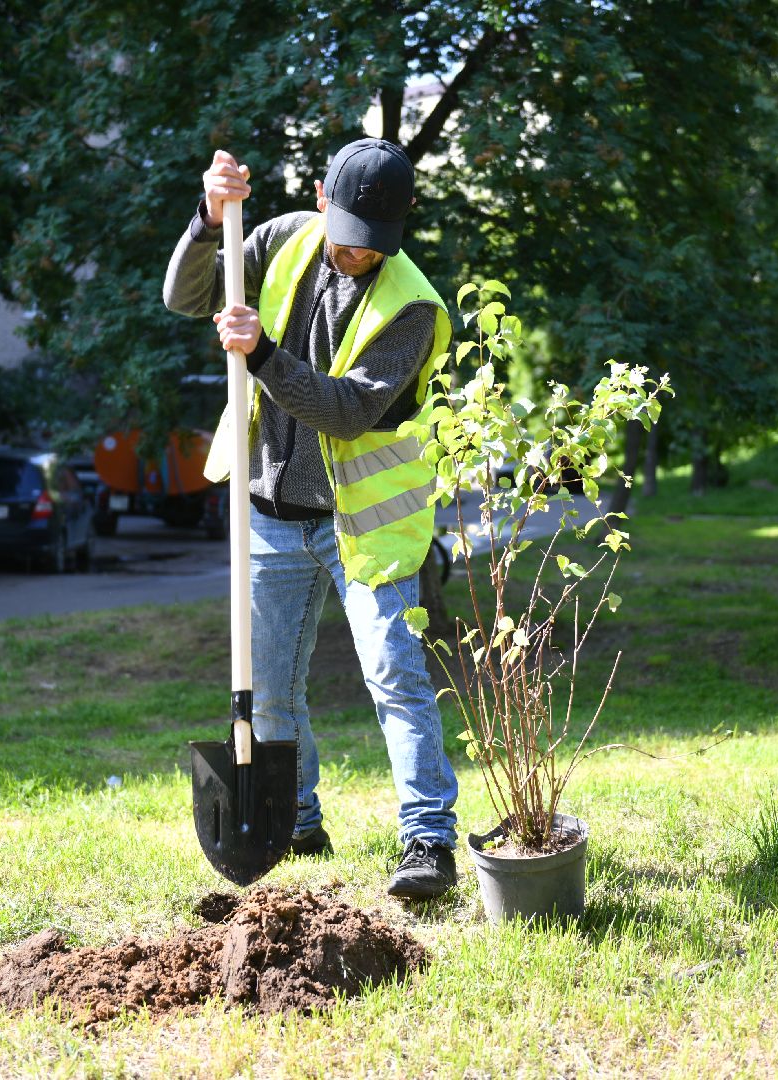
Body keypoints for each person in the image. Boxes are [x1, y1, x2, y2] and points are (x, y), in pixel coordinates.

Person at [163, 139, 461, 900]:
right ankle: (295, 821)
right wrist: (208, 216)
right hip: (269, 510)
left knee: (394, 675)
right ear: (323, 196)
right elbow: (186, 297)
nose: (358, 256)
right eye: (348, 235)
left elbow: (348, 411)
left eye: (376, 244)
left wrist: (260, 352)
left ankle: (428, 840)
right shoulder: (280, 240)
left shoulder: (413, 307)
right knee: (270, 695)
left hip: (364, 520)